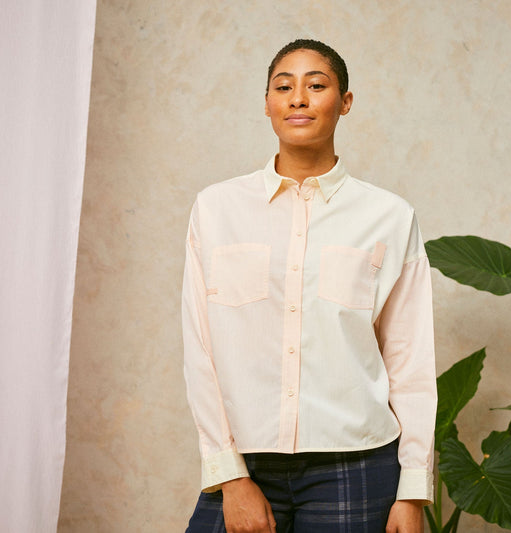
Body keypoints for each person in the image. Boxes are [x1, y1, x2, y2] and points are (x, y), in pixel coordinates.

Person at [182, 39, 437, 533]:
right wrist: (230, 476)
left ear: (344, 103)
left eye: (316, 85)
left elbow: (409, 361)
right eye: (284, 86)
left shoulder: (388, 217)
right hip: (245, 459)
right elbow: (201, 348)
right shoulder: (216, 210)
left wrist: (412, 490)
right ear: (267, 104)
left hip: (356, 462)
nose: (298, 98)